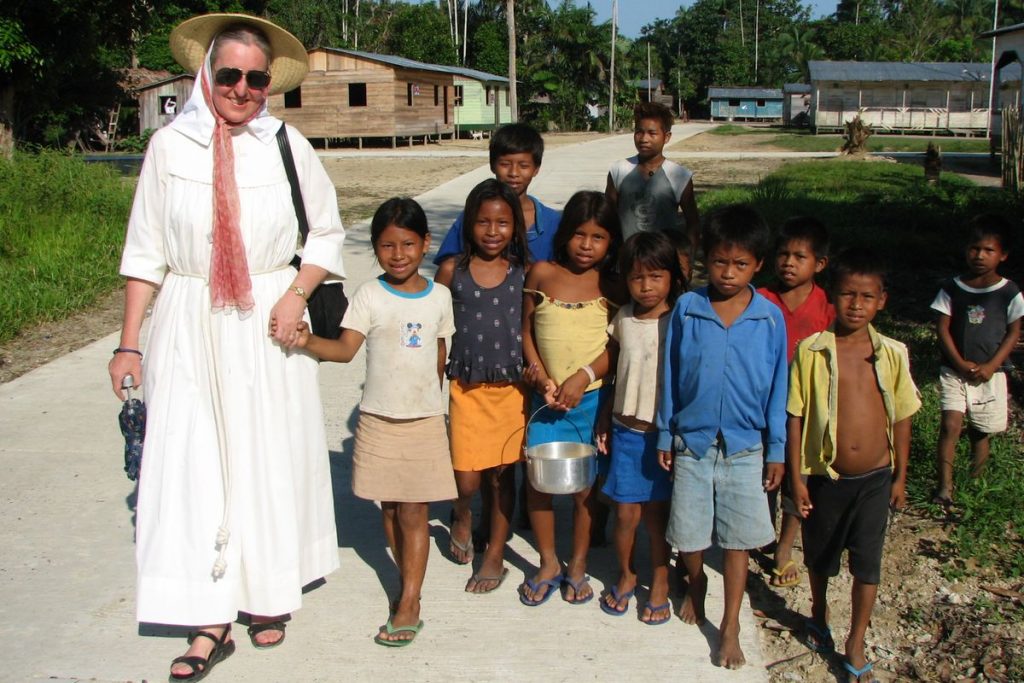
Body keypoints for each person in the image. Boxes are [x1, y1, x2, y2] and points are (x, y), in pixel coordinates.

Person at [107, 14, 344, 681]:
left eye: (255, 78)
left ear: (269, 84)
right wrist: (129, 345)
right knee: (192, 463)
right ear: (206, 75)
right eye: (230, 74)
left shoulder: (287, 146)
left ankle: (267, 590)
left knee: (267, 455)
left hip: (267, 318)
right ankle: (208, 617)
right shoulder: (169, 148)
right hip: (189, 317)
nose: (242, 88)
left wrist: (295, 295)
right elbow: (145, 253)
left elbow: (326, 233)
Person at [292, 197, 456, 647]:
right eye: (387, 246)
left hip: (423, 420)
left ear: (425, 243)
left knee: (415, 510)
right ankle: (406, 580)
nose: (398, 254)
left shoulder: (440, 297)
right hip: (378, 420)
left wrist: (436, 404)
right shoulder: (369, 294)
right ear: (375, 248)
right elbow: (345, 349)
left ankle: (410, 600)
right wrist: (307, 341)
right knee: (390, 509)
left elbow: (440, 354)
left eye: (407, 244)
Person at [657, 204, 787, 669]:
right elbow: (670, 375)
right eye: (719, 262)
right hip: (692, 443)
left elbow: (778, 386)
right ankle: (695, 580)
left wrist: (776, 449)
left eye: (740, 264)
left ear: (758, 265)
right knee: (689, 537)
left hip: (745, 447)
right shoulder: (688, 309)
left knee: (737, 542)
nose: (728, 273)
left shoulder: (769, 318)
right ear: (703, 260)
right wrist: (664, 433)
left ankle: (729, 624)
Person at [787, 248, 921, 682]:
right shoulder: (812, 351)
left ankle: (856, 640)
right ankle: (819, 613)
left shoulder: (893, 353)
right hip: (827, 478)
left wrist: (900, 476)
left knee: (868, 561)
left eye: (867, 296)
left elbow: (902, 416)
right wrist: (797, 478)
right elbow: (795, 416)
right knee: (820, 555)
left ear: (882, 300)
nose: (857, 305)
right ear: (833, 296)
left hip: (876, 479)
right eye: (848, 294)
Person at [519, 191, 621, 607]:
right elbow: (526, 331)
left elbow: (617, 345)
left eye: (598, 237)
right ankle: (547, 562)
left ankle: (577, 564)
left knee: (584, 490)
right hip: (544, 403)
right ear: (564, 234)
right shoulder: (541, 273)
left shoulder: (612, 285)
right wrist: (541, 378)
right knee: (538, 484)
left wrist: (584, 376)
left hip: (590, 403)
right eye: (579, 234)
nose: (586, 245)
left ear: (611, 241)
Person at [434, 179, 530, 592]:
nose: (493, 231)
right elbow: (434, 325)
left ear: (515, 227)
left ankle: (495, 553)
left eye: (502, 223)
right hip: (467, 388)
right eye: (483, 222)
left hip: (511, 391)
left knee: (502, 477)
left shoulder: (523, 273)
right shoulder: (451, 270)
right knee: (467, 478)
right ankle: (462, 511)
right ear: (468, 224)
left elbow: (533, 326)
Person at [595, 232, 684, 625]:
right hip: (626, 431)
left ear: (672, 278)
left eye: (655, 277)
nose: (646, 286)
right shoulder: (625, 319)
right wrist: (604, 416)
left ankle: (660, 579)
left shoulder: (680, 321)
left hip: (661, 436)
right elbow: (615, 371)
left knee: (656, 516)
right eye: (637, 278)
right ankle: (628, 573)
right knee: (626, 514)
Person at [756, 216, 835, 589]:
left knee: (797, 477)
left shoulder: (826, 308)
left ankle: (784, 547)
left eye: (799, 257)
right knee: (763, 473)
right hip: (761, 404)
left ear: (820, 264)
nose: (788, 263)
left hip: (803, 410)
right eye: (783, 254)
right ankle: (760, 533)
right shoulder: (760, 299)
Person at [931, 214, 1022, 505]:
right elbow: (942, 328)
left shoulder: (1009, 292)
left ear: (1003, 255)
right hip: (953, 370)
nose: (979, 255)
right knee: (950, 425)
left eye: (988, 250)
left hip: (990, 373)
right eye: (974, 248)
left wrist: (992, 365)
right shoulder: (952, 287)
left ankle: (975, 485)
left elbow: (1013, 332)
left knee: (980, 431)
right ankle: (944, 487)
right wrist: (958, 363)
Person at [434, 122, 559, 265]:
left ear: (536, 169)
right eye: (505, 164)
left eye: (523, 166)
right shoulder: (473, 216)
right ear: (492, 165)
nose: (513, 173)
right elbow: (449, 265)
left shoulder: (553, 222)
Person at [605, 101, 700, 249]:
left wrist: (687, 257)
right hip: (626, 259)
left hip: (663, 260)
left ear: (666, 137)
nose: (644, 139)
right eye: (639, 132)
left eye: (652, 133)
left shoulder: (679, 176)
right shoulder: (619, 170)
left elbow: (693, 223)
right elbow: (606, 217)